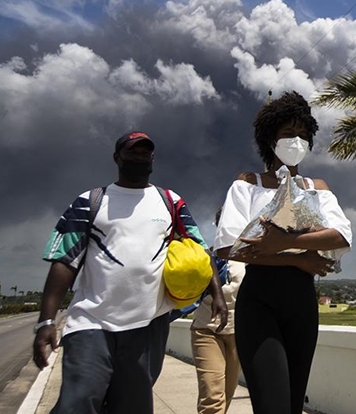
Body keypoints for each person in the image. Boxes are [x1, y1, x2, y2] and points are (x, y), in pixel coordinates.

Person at [33, 131, 228, 414]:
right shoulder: (90, 201)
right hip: (92, 321)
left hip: (148, 325)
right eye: (132, 151)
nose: (139, 156)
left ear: (152, 159)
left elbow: (201, 252)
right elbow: (64, 262)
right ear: (117, 157)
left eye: (145, 152)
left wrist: (216, 294)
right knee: (78, 401)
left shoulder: (170, 201)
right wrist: (46, 321)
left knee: (131, 407)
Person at [214, 91, 352, 414]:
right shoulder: (247, 185)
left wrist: (280, 243)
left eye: (303, 135)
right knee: (272, 406)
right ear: (270, 139)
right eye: (288, 134)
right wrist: (296, 257)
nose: (296, 141)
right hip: (259, 302)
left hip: (302, 307)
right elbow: (226, 245)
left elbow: (341, 234)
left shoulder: (316, 188)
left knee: (291, 406)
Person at [191, 209, 246, 414]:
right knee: (213, 397)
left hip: (238, 333)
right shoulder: (210, 257)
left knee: (227, 394)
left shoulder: (255, 259)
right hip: (207, 329)